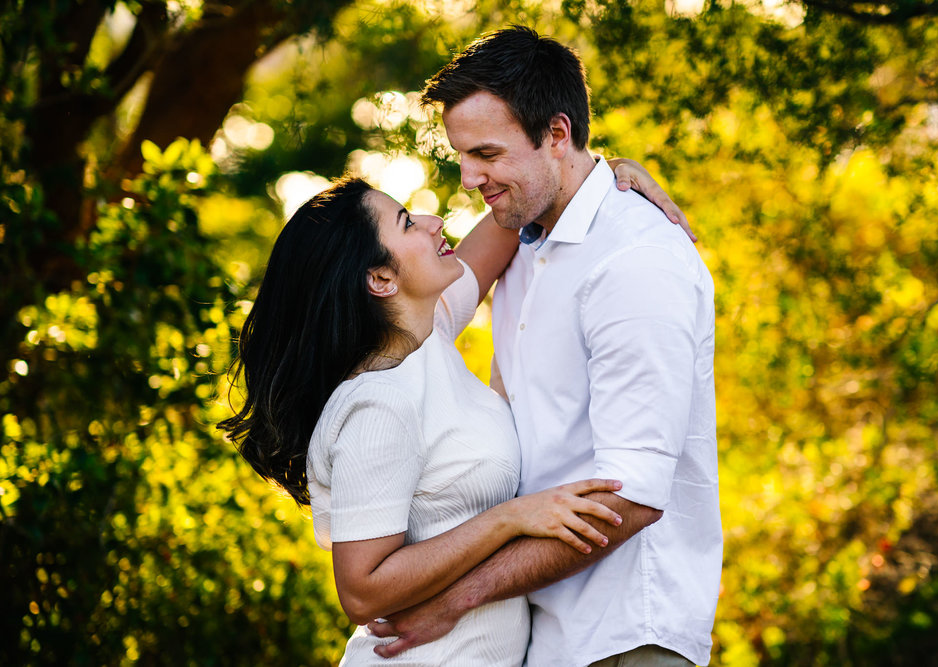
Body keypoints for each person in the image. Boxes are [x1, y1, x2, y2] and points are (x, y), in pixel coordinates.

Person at [219, 161, 687, 662]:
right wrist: (509, 519)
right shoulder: (378, 403)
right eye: (406, 223)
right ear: (380, 278)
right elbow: (362, 591)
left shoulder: (430, 333)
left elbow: (512, 220)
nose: (433, 220)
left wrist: (594, 172)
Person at [366, 26, 722, 667]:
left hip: (624, 633)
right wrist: (599, 167)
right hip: (541, 633)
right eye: (463, 157)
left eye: (488, 155)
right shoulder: (525, 235)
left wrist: (460, 597)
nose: (471, 178)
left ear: (556, 134)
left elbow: (633, 495)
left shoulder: (635, 260)